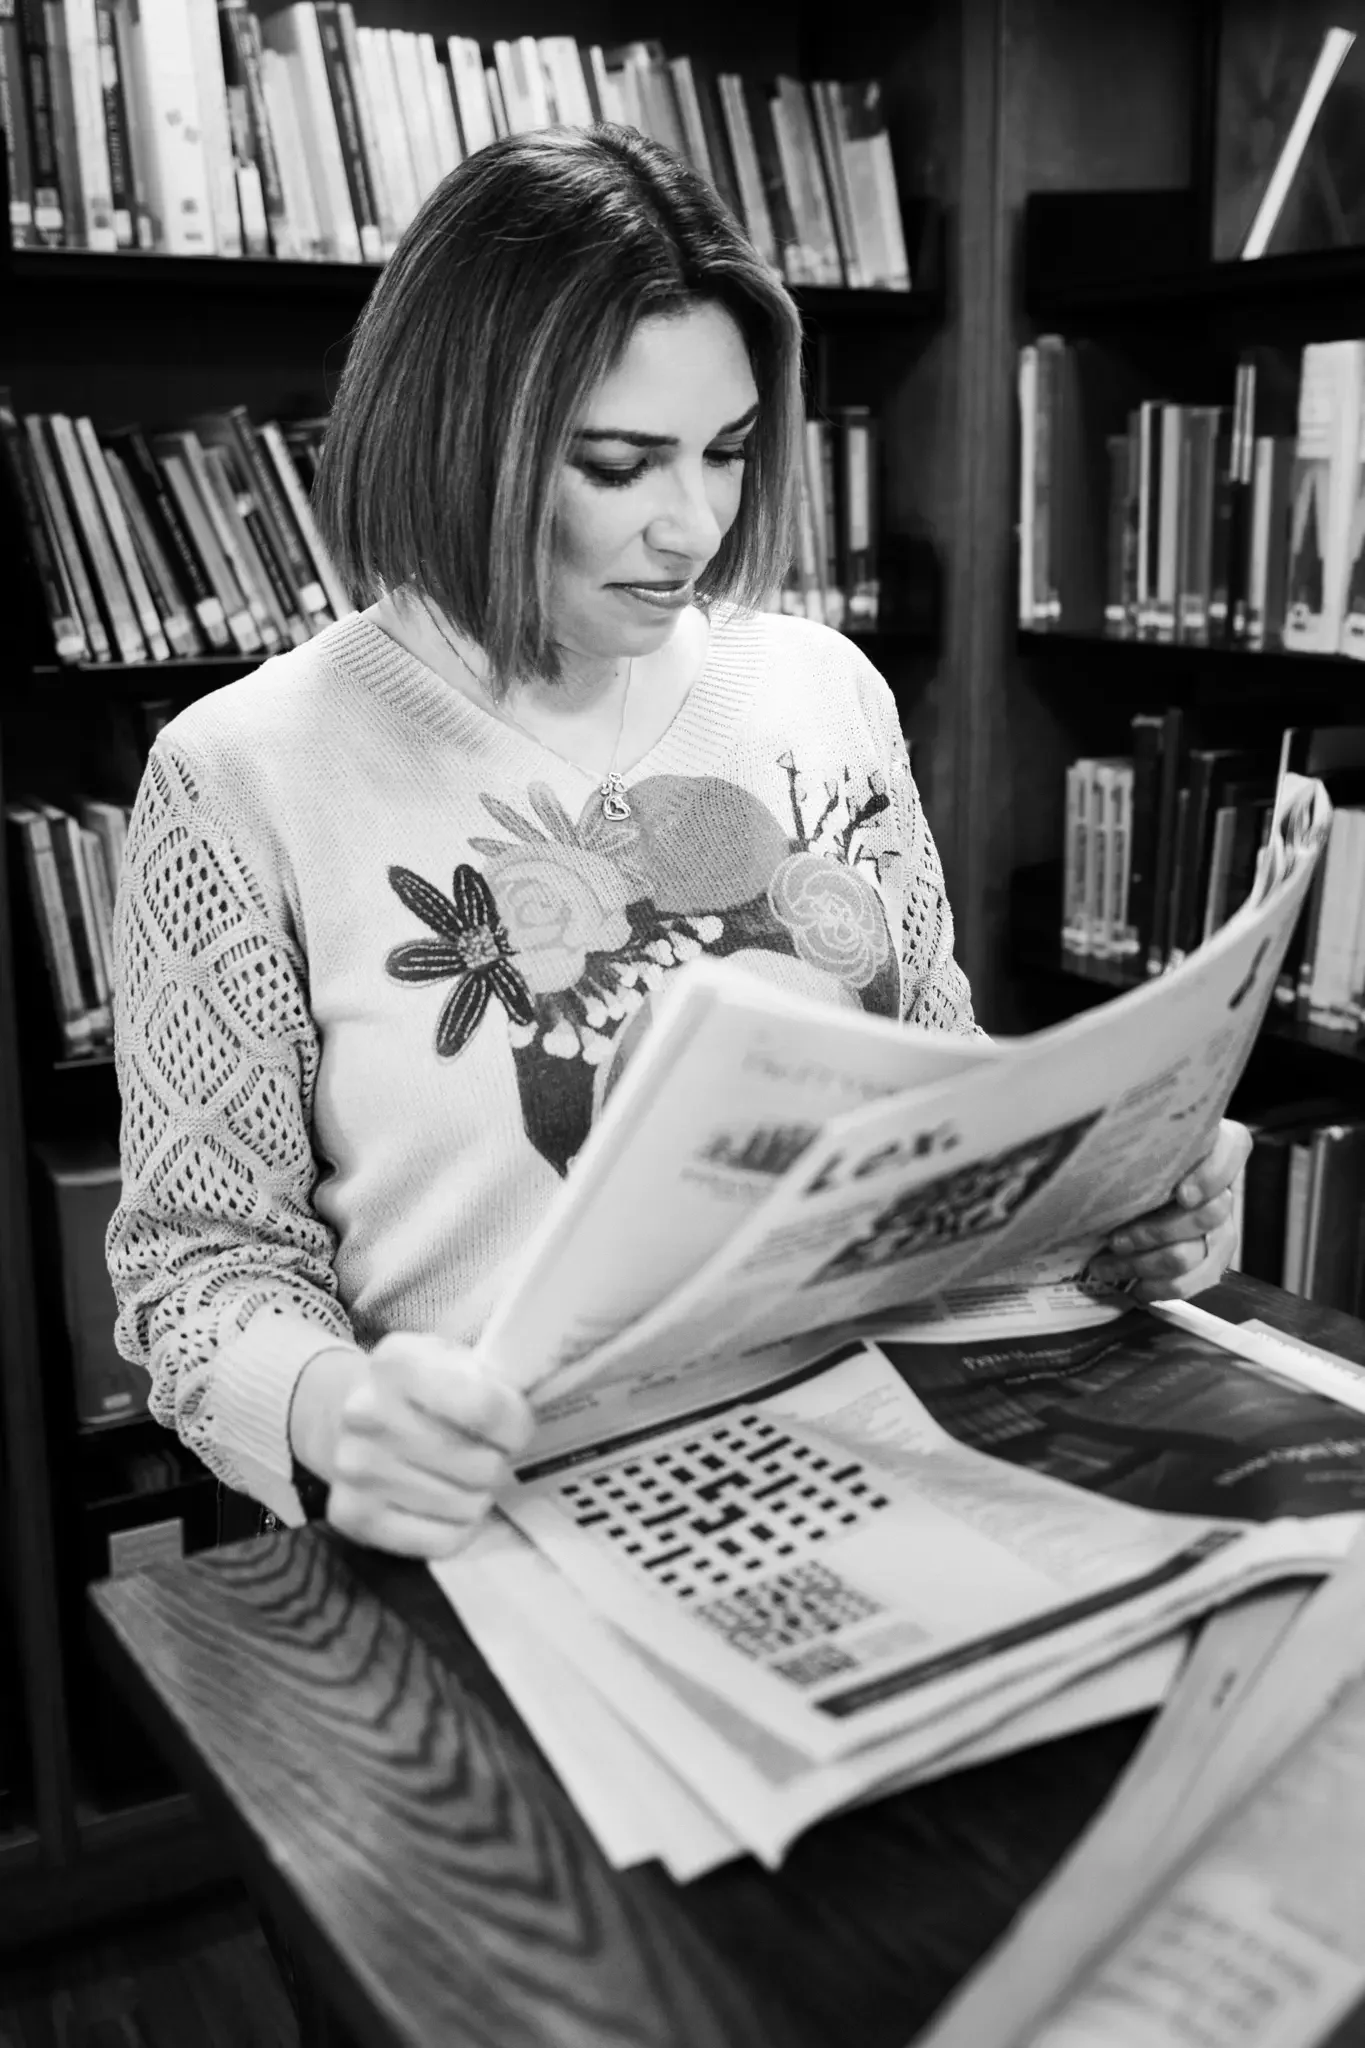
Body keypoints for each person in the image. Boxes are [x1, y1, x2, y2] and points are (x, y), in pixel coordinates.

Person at [106, 123, 1250, 1563]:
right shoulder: (242, 776)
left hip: (875, 1468)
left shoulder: (820, 693)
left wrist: (1126, 1198)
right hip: (512, 1526)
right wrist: (331, 1409)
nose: (694, 523)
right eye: (618, 461)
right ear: (460, 429)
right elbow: (197, 1269)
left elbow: (944, 1107)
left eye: (726, 452)